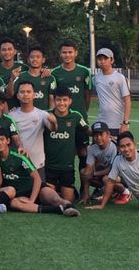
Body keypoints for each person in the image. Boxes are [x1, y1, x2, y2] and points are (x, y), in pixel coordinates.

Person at [0, 128, 79, 217]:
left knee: (55, 199)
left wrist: (32, 200)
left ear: (8, 141)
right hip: (17, 195)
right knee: (14, 204)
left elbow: (37, 178)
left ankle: (69, 207)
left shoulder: (19, 156)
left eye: (2, 139)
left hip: (36, 189)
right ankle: (56, 210)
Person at [51, 39, 92, 178]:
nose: (67, 55)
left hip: (79, 119)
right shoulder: (55, 73)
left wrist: (82, 112)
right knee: (62, 151)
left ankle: (83, 187)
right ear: (60, 54)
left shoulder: (84, 71)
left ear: (76, 53)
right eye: (64, 52)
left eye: (70, 52)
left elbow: (87, 95)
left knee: (83, 152)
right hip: (61, 119)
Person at [43, 87, 90, 201]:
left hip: (67, 168)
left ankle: (68, 191)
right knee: (49, 200)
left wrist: (104, 134)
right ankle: (57, 189)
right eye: (58, 100)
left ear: (70, 101)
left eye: (65, 100)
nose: (62, 103)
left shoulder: (76, 116)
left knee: (69, 200)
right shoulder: (46, 116)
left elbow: (88, 130)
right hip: (49, 167)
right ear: (54, 101)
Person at [8, 80, 57, 180]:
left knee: (40, 193)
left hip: (37, 163)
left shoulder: (42, 114)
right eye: (22, 92)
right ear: (17, 96)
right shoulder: (11, 116)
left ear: (34, 95)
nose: (25, 94)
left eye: (28, 92)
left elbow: (53, 129)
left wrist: (54, 122)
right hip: (17, 163)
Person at [80, 121, 129, 204]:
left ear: (108, 134)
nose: (98, 137)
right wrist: (86, 193)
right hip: (107, 174)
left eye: (101, 134)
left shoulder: (114, 146)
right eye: (95, 135)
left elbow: (111, 169)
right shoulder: (92, 148)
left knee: (106, 179)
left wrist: (94, 173)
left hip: (124, 175)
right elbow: (88, 170)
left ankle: (125, 192)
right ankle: (111, 192)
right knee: (83, 172)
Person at [93, 48, 131, 136]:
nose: (102, 61)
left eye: (105, 59)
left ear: (112, 60)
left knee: (117, 148)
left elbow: (127, 100)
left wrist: (125, 122)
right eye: (100, 59)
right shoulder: (96, 78)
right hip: (101, 121)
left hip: (117, 123)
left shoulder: (119, 77)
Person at [8, 46, 56, 111]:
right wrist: (11, 79)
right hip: (25, 116)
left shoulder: (50, 78)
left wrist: (50, 114)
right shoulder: (20, 77)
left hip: (44, 116)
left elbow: (52, 99)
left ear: (43, 60)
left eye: (38, 57)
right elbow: (10, 95)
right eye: (32, 57)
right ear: (28, 60)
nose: (35, 59)